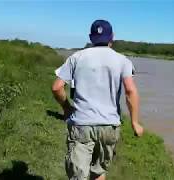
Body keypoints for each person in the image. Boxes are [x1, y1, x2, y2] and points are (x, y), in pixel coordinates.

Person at [52, 19, 144, 180]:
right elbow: (130, 90)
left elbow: (57, 87)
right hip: (109, 126)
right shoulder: (122, 60)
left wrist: (66, 108)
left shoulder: (76, 57)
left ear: (90, 37)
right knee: (99, 171)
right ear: (112, 37)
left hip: (82, 124)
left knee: (78, 175)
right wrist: (135, 123)